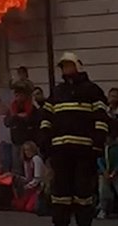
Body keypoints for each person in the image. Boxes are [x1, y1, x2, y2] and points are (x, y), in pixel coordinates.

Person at [39, 52, 110, 226]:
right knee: (60, 193)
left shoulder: (92, 90)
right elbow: (46, 119)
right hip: (60, 152)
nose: (66, 69)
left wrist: (97, 145)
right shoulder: (57, 92)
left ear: (77, 66)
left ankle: (83, 222)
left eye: (68, 65)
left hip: (84, 151)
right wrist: (45, 143)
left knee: (83, 193)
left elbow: (101, 119)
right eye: (63, 67)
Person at [4, 86, 36, 174]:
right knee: (17, 167)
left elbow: (36, 122)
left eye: (21, 95)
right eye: (17, 95)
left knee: (30, 167)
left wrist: (26, 119)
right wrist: (15, 117)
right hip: (16, 142)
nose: (19, 97)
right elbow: (6, 123)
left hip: (28, 143)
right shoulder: (11, 109)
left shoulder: (32, 109)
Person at [12, 141, 45, 212]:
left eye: (29, 150)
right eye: (25, 150)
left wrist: (26, 186)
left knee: (29, 208)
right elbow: (28, 178)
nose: (27, 152)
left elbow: (37, 179)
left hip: (38, 188)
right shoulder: (26, 162)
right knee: (19, 206)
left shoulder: (36, 159)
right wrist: (19, 178)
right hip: (30, 188)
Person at [97, 128, 118, 219]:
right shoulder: (102, 148)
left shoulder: (116, 148)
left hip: (116, 173)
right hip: (104, 172)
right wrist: (104, 171)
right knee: (103, 192)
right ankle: (103, 210)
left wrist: (115, 171)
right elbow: (99, 160)